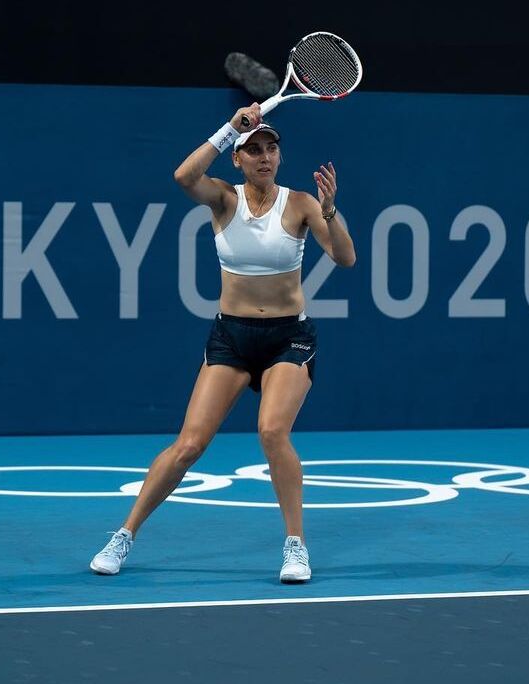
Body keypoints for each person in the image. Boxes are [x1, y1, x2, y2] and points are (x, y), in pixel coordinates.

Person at [90, 103, 356, 583]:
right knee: (189, 444)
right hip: (231, 338)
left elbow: (345, 257)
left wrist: (330, 210)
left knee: (272, 432)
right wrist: (231, 127)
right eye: (253, 149)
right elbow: (183, 176)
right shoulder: (223, 200)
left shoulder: (300, 203)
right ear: (237, 158)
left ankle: (296, 546)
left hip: (288, 339)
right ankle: (124, 534)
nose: (264, 156)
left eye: (271, 148)